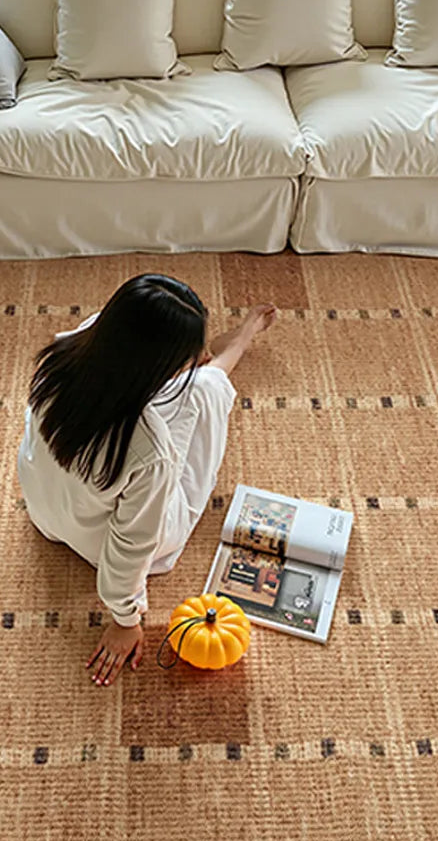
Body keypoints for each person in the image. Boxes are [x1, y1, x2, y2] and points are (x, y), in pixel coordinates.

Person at [17, 274, 276, 687]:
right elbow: (131, 545)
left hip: (46, 510)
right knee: (205, 390)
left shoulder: (62, 352)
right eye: (184, 358)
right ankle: (234, 348)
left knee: (190, 385)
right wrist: (125, 620)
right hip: (99, 544)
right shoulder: (148, 449)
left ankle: (213, 355)